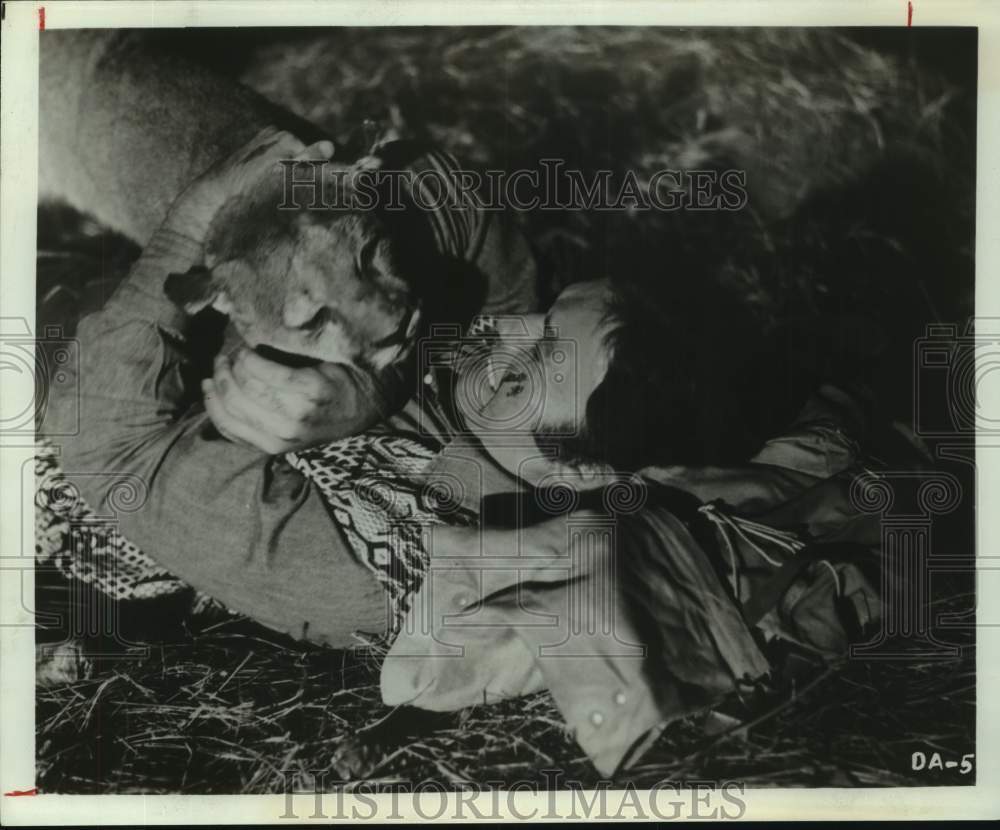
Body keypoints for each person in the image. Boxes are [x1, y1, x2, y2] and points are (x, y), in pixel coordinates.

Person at [43, 127, 879, 777]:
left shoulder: (371, 565)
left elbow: (107, 448)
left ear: (576, 474)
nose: (501, 328)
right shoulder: (496, 413)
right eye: (545, 318)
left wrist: (190, 226)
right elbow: (454, 195)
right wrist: (384, 389)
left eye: (530, 364)